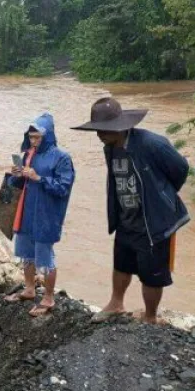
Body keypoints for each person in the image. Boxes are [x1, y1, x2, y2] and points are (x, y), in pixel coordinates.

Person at [73, 98, 190, 325]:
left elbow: (180, 169)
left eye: (104, 130)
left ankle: (150, 317)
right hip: (127, 218)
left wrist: (162, 195)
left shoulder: (152, 144)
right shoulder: (110, 148)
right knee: (121, 263)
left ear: (121, 126)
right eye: (97, 129)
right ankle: (116, 304)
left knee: (152, 274)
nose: (99, 134)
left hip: (154, 221)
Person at [5, 113, 76, 317]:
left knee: (45, 257)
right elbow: (16, 185)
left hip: (47, 214)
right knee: (26, 253)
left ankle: (49, 297)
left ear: (49, 136)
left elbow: (63, 187)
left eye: (38, 137)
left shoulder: (62, 158)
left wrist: (38, 177)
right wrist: (17, 176)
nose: (34, 141)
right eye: (31, 137)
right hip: (26, 211)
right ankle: (29, 289)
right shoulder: (28, 154)